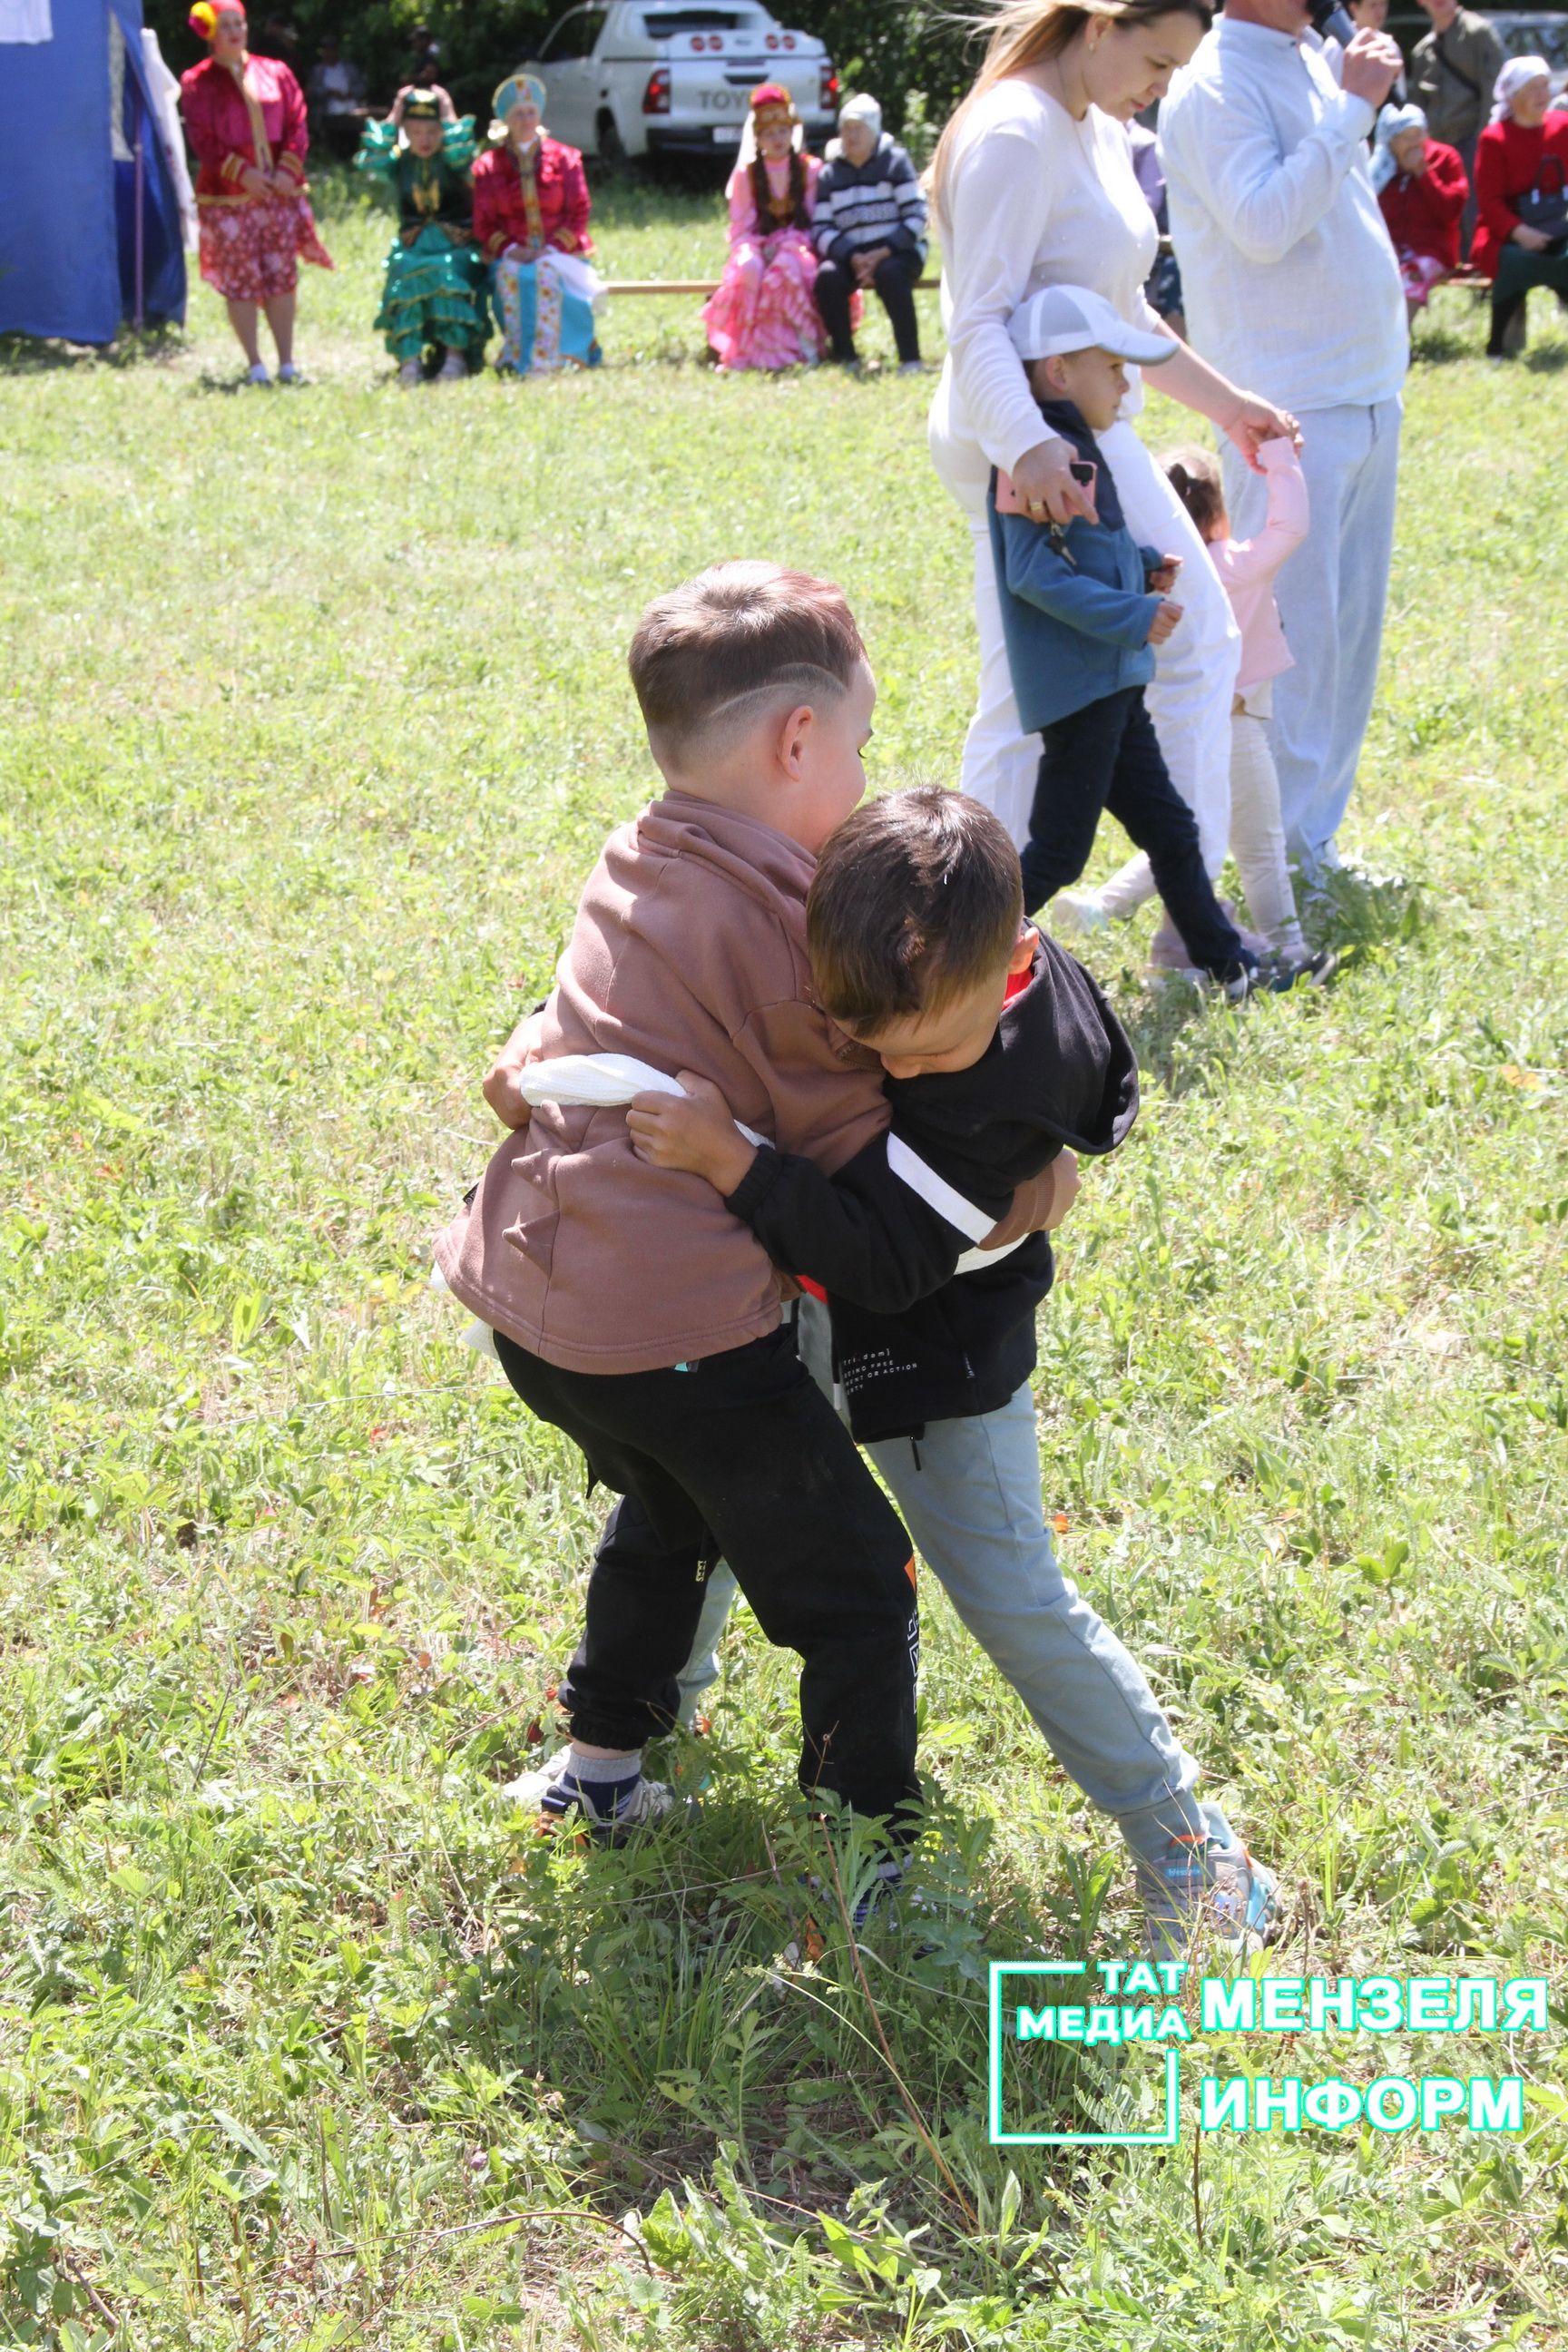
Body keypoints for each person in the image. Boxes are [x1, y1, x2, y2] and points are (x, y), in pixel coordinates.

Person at [434, 565, 1053, 1856]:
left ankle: (598, 1769)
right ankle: (864, 1852)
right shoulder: (794, 938)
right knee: (858, 1591)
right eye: (865, 745)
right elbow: (863, 1164)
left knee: (677, 1513)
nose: (870, 772)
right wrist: (1022, 1178)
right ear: (796, 740)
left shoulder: (633, 855)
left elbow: (575, 1021)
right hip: (684, 1334)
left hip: (536, 1306)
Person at [626, 790, 1281, 1955]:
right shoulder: (950, 951)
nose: (889, 1061)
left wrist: (734, 1159)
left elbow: (884, 1263)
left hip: (938, 1364)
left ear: (1020, 956)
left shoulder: (994, 1095)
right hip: (806, 1318)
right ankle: (640, 1725)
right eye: (861, 1033)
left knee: (1015, 1598)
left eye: (919, 1047)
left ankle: (1196, 1852)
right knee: (727, 1500)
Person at [926, 0, 1297, 881]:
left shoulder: (1090, 122)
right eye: (1158, 64)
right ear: (1100, 27)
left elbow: (1120, 314)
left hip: (1070, 439)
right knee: (1039, 699)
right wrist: (1028, 446)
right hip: (1030, 442)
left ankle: (1171, 921)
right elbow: (976, 319)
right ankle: (968, 941)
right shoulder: (1016, 131)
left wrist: (1229, 402)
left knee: (1173, 651)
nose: (1162, 90)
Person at [1152, 0, 1406, 887]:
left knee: (1348, 640)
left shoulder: (1308, 53)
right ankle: (1284, 866)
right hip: (1290, 403)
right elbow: (1263, 224)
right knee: (1295, 649)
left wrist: (1350, 100)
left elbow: (1333, 198)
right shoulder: (1214, 82)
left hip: (1365, 388)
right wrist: (1353, 108)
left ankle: (1314, 843)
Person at [991, 287, 1259, 993]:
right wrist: (1131, 617)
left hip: (1113, 680)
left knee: (1171, 831)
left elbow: (1086, 551)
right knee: (1057, 853)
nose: (1125, 382)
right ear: (1057, 373)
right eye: (1110, 367)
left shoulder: (1081, 447)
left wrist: (1141, 569)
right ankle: (954, 961)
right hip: (1083, 687)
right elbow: (1032, 575)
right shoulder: (1035, 458)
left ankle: (1230, 965)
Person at [1163, 439, 1329, 978]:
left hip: (1179, 727)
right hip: (1232, 723)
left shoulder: (1159, 578)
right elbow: (1291, 526)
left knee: (1190, 837)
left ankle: (1144, 929)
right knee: (1259, 845)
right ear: (1217, 510)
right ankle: (1288, 948)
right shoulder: (1233, 567)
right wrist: (1279, 459)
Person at [180, 0, 332, 386]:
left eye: (240, 24)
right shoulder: (198, 81)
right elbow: (202, 138)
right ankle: (255, 365)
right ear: (211, 33)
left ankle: (286, 363)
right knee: (241, 279)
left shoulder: (275, 72)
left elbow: (297, 120)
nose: (235, 31)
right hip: (230, 198)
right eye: (226, 25)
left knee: (282, 275)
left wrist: (287, 170)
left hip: (277, 194)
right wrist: (242, 173)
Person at [355, 90, 488, 386]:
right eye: (415, 132)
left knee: (446, 275)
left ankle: (455, 357)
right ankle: (410, 361)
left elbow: (463, 150)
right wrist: (395, 112)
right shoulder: (400, 162)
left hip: (455, 245)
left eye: (431, 132)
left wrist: (449, 111)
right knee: (406, 276)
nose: (424, 139)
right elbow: (371, 158)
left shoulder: (454, 161)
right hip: (414, 246)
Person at [473, 73, 603, 376]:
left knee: (545, 274)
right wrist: (511, 249)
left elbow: (580, 210)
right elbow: (483, 221)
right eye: (518, 114)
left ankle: (563, 356)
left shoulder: (565, 159)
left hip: (560, 253)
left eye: (530, 112)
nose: (525, 119)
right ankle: (519, 355)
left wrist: (553, 247)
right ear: (506, 119)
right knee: (515, 276)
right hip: (513, 255)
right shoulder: (489, 167)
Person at [702, 83, 828, 372]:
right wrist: (756, 247)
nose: (778, 139)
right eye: (770, 134)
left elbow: (814, 219)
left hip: (799, 245)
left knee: (787, 266)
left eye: (783, 131)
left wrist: (788, 242)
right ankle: (745, 349)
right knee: (748, 268)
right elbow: (742, 226)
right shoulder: (747, 175)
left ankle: (802, 345)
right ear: (758, 138)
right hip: (760, 244)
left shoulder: (810, 169)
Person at [811, 93, 928, 371]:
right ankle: (846, 357)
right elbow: (821, 227)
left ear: (873, 131)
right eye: (846, 129)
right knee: (827, 278)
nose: (850, 136)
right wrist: (851, 256)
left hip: (897, 252)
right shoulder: (830, 174)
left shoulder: (896, 163)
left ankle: (910, 359)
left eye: (858, 128)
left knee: (891, 273)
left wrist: (883, 252)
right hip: (852, 256)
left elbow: (918, 215)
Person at [1473, 59, 1568, 359]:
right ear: (1513, 97)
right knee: (1514, 262)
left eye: (1544, 86)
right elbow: (1489, 202)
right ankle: (1496, 346)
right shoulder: (1494, 138)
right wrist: (1522, 233)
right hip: (1508, 232)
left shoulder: (1563, 126)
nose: (1542, 94)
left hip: (1560, 224)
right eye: (1532, 89)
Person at [1409, 0, 1502, 249]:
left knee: (1475, 209)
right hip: (1437, 144)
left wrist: (1486, 139)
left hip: (1473, 137)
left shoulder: (1479, 33)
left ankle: (1479, 265)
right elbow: (1416, 105)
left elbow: (1493, 91)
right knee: (1440, 208)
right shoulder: (1422, 50)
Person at [1372, 103, 1468, 320]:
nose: (1415, 143)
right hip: (1389, 248)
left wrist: (1423, 174)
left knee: (1411, 275)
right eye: (1406, 137)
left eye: (1418, 134)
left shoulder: (1445, 158)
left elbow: (1451, 212)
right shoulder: (1379, 168)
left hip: (1433, 251)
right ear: (1391, 142)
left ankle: (1399, 345)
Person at [306, 32, 369, 161]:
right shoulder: (318, 70)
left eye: (331, 49)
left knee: (352, 140)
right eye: (326, 50)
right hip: (329, 113)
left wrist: (350, 93)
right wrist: (329, 92)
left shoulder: (349, 68)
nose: (329, 53)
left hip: (351, 110)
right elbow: (312, 90)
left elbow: (362, 87)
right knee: (334, 144)